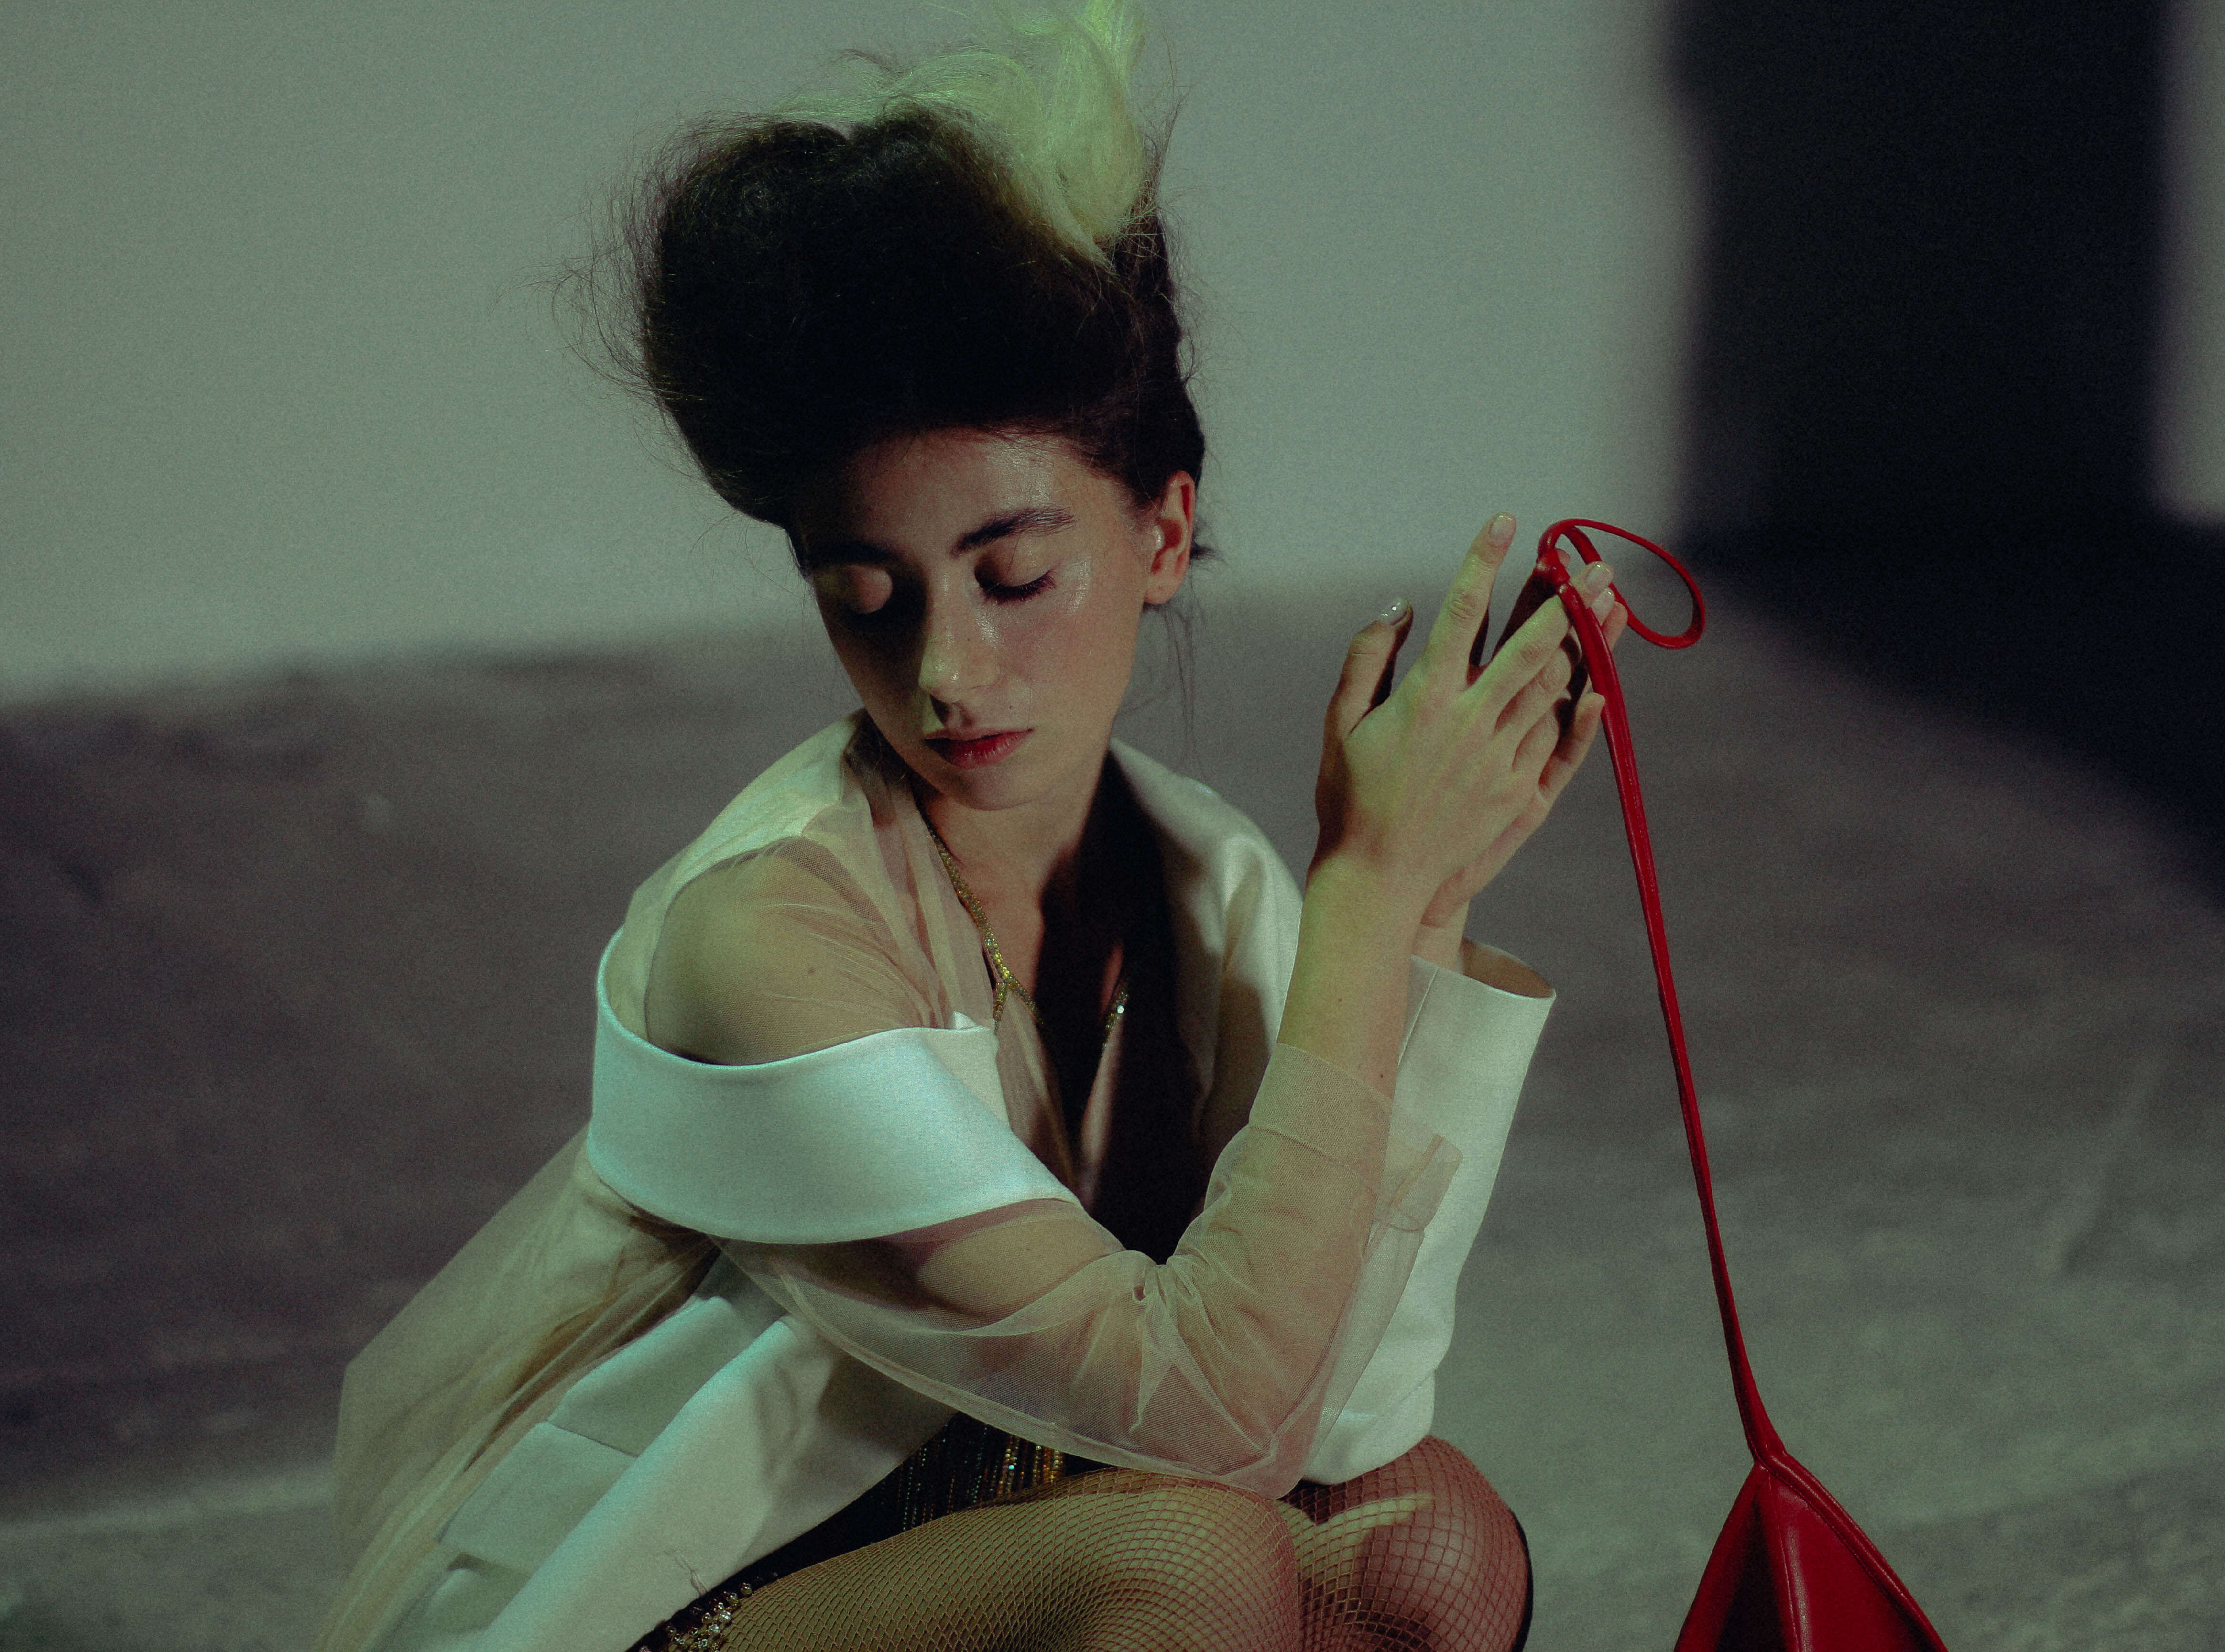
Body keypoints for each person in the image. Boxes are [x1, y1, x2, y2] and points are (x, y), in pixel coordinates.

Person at [314, 3, 1629, 1648]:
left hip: (994, 1533)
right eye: (866, 595)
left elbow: (1341, 1408)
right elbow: (1219, 1426)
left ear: (1164, 535)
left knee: (1433, 1550)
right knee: (1194, 1564)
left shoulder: (1204, 880)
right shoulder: (767, 938)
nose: (945, 671)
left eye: (1015, 576)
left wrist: (1418, 908)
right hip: (681, 1608)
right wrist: (1366, 893)